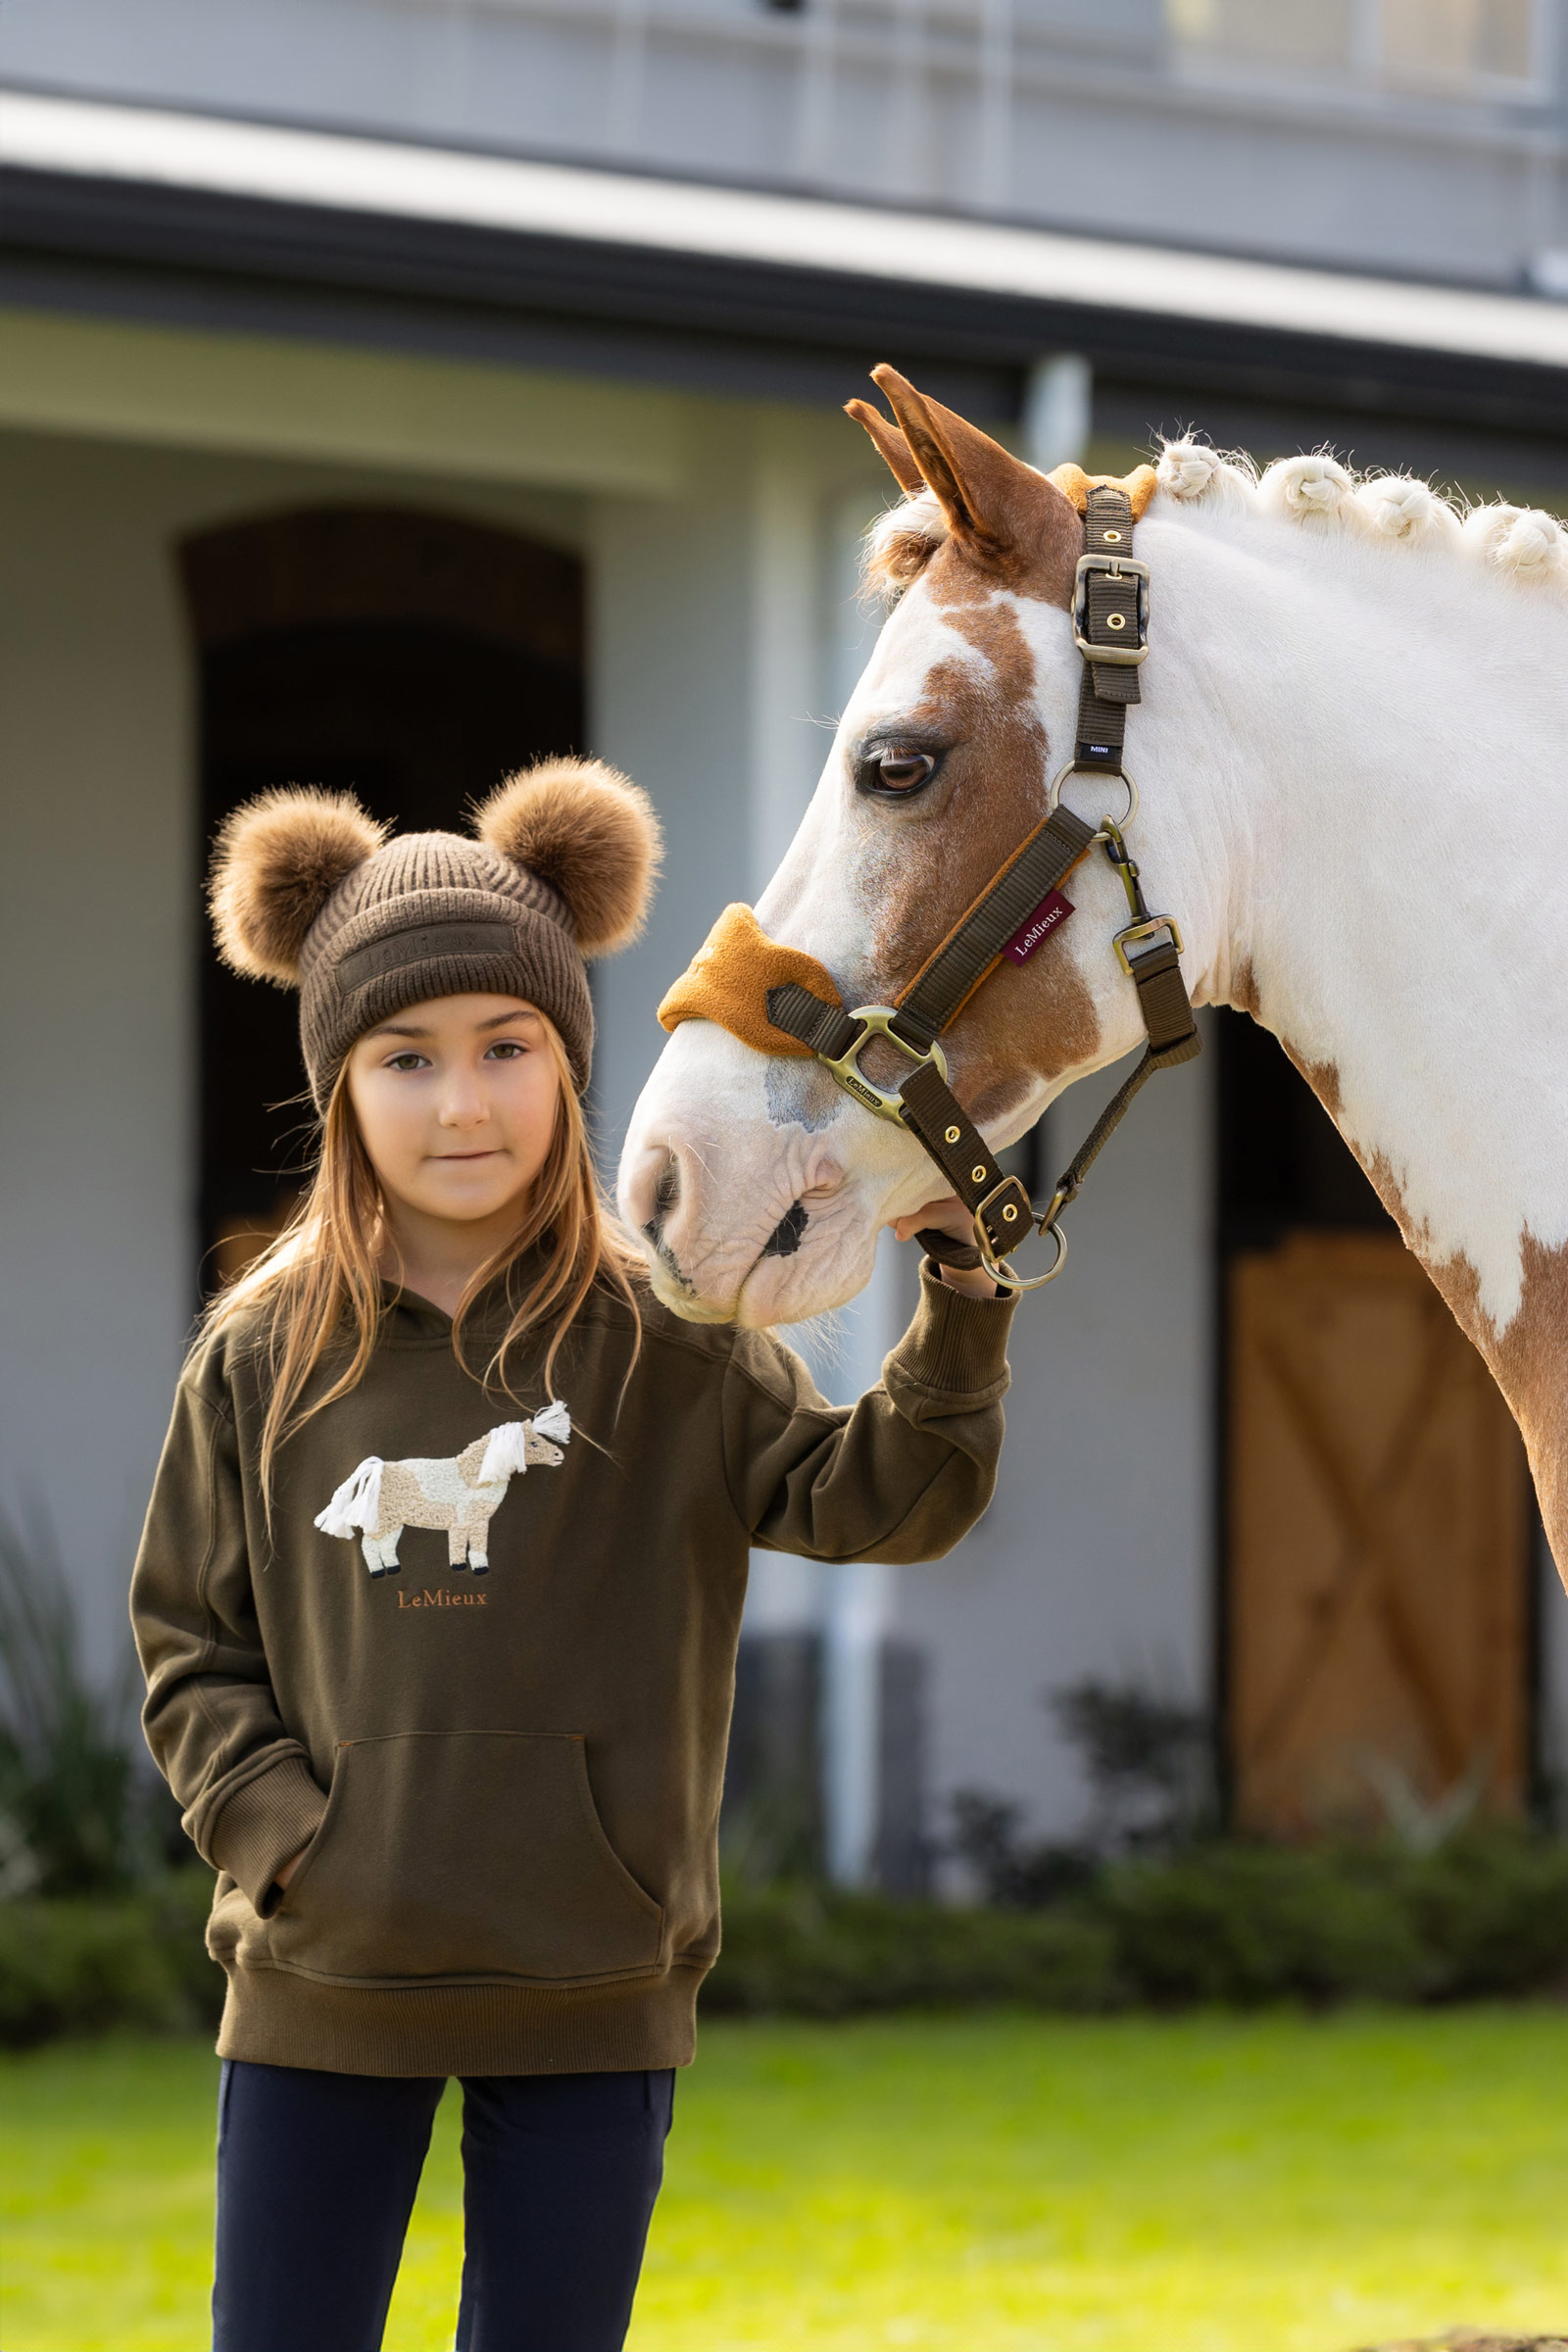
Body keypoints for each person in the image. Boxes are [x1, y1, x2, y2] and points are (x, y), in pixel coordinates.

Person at [130, 758, 1017, 2352]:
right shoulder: (262, 1358)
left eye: (507, 1050)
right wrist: (288, 1841)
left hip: (592, 1988)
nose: (461, 1102)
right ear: (340, 1082)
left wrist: (960, 1314)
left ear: (569, 1065)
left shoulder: (667, 1339)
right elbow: (191, 1641)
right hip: (326, 1978)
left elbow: (872, 1500)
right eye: (406, 1058)